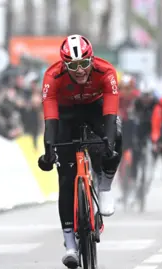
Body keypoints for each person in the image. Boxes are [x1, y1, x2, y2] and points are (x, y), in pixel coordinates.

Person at [37, 34, 122, 268]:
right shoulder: (52, 77)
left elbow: (110, 113)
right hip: (66, 114)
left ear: (91, 60)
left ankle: (104, 186)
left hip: (95, 108)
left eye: (84, 64)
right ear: (64, 64)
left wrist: (110, 147)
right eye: (73, 66)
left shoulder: (106, 72)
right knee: (65, 179)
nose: (80, 70)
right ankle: (70, 245)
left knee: (117, 134)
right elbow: (51, 120)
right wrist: (48, 152)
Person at [130, 80, 159, 185]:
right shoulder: (137, 102)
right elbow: (132, 114)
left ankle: (156, 166)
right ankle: (133, 178)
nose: (146, 98)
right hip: (141, 126)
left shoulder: (156, 102)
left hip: (153, 126)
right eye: (144, 95)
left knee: (157, 145)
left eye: (148, 95)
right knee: (136, 151)